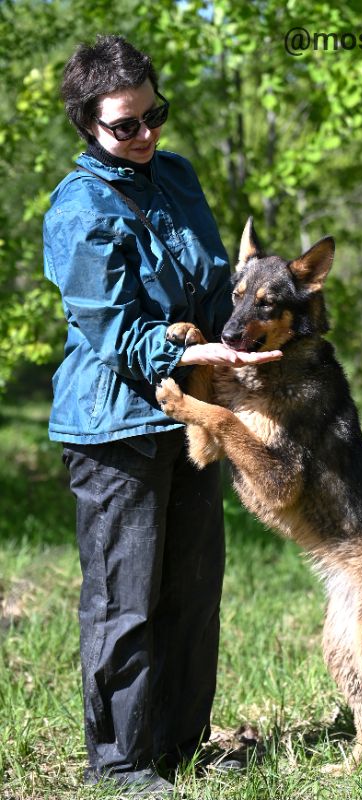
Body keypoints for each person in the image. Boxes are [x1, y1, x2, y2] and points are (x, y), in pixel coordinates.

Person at [43, 35, 281, 798]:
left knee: (191, 591)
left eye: (155, 115)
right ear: (87, 124)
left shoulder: (175, 174)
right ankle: (118, 765)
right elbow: (112, 331)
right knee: (125, 602)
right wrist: (198, 354)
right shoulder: (78, 208)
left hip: (194, 416)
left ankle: (179, 747)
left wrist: (240, 328)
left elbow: (213, 284)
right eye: (125, 125)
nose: (146, 135)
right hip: (115, 427)